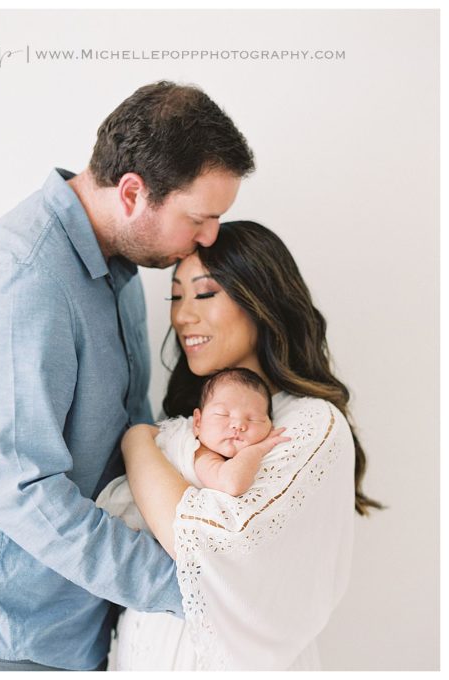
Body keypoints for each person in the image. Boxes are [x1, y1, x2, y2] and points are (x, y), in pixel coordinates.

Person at [0, 81, 255, 671]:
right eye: (201, 217)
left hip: (86, 628)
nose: (210, 238)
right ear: (133, 192)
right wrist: (187, 588)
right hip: (8, 638)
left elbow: (128, 444)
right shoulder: (25, 284)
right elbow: (19, 489)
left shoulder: (123, 268)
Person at [109, 220, 382, 671]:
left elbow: (213, 538)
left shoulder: (312, 423)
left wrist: (138, 443)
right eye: (175, 296)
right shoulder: (186, 423)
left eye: (204, 293)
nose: (181, 315)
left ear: (261, 301)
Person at [97, 367, 289, 535]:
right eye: (223, 414)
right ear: (197, 422)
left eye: (254, 419)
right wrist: (258, 449)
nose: (238, 425)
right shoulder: (202, 453)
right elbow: (232, 483)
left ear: (270, 425)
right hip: (124, 519)